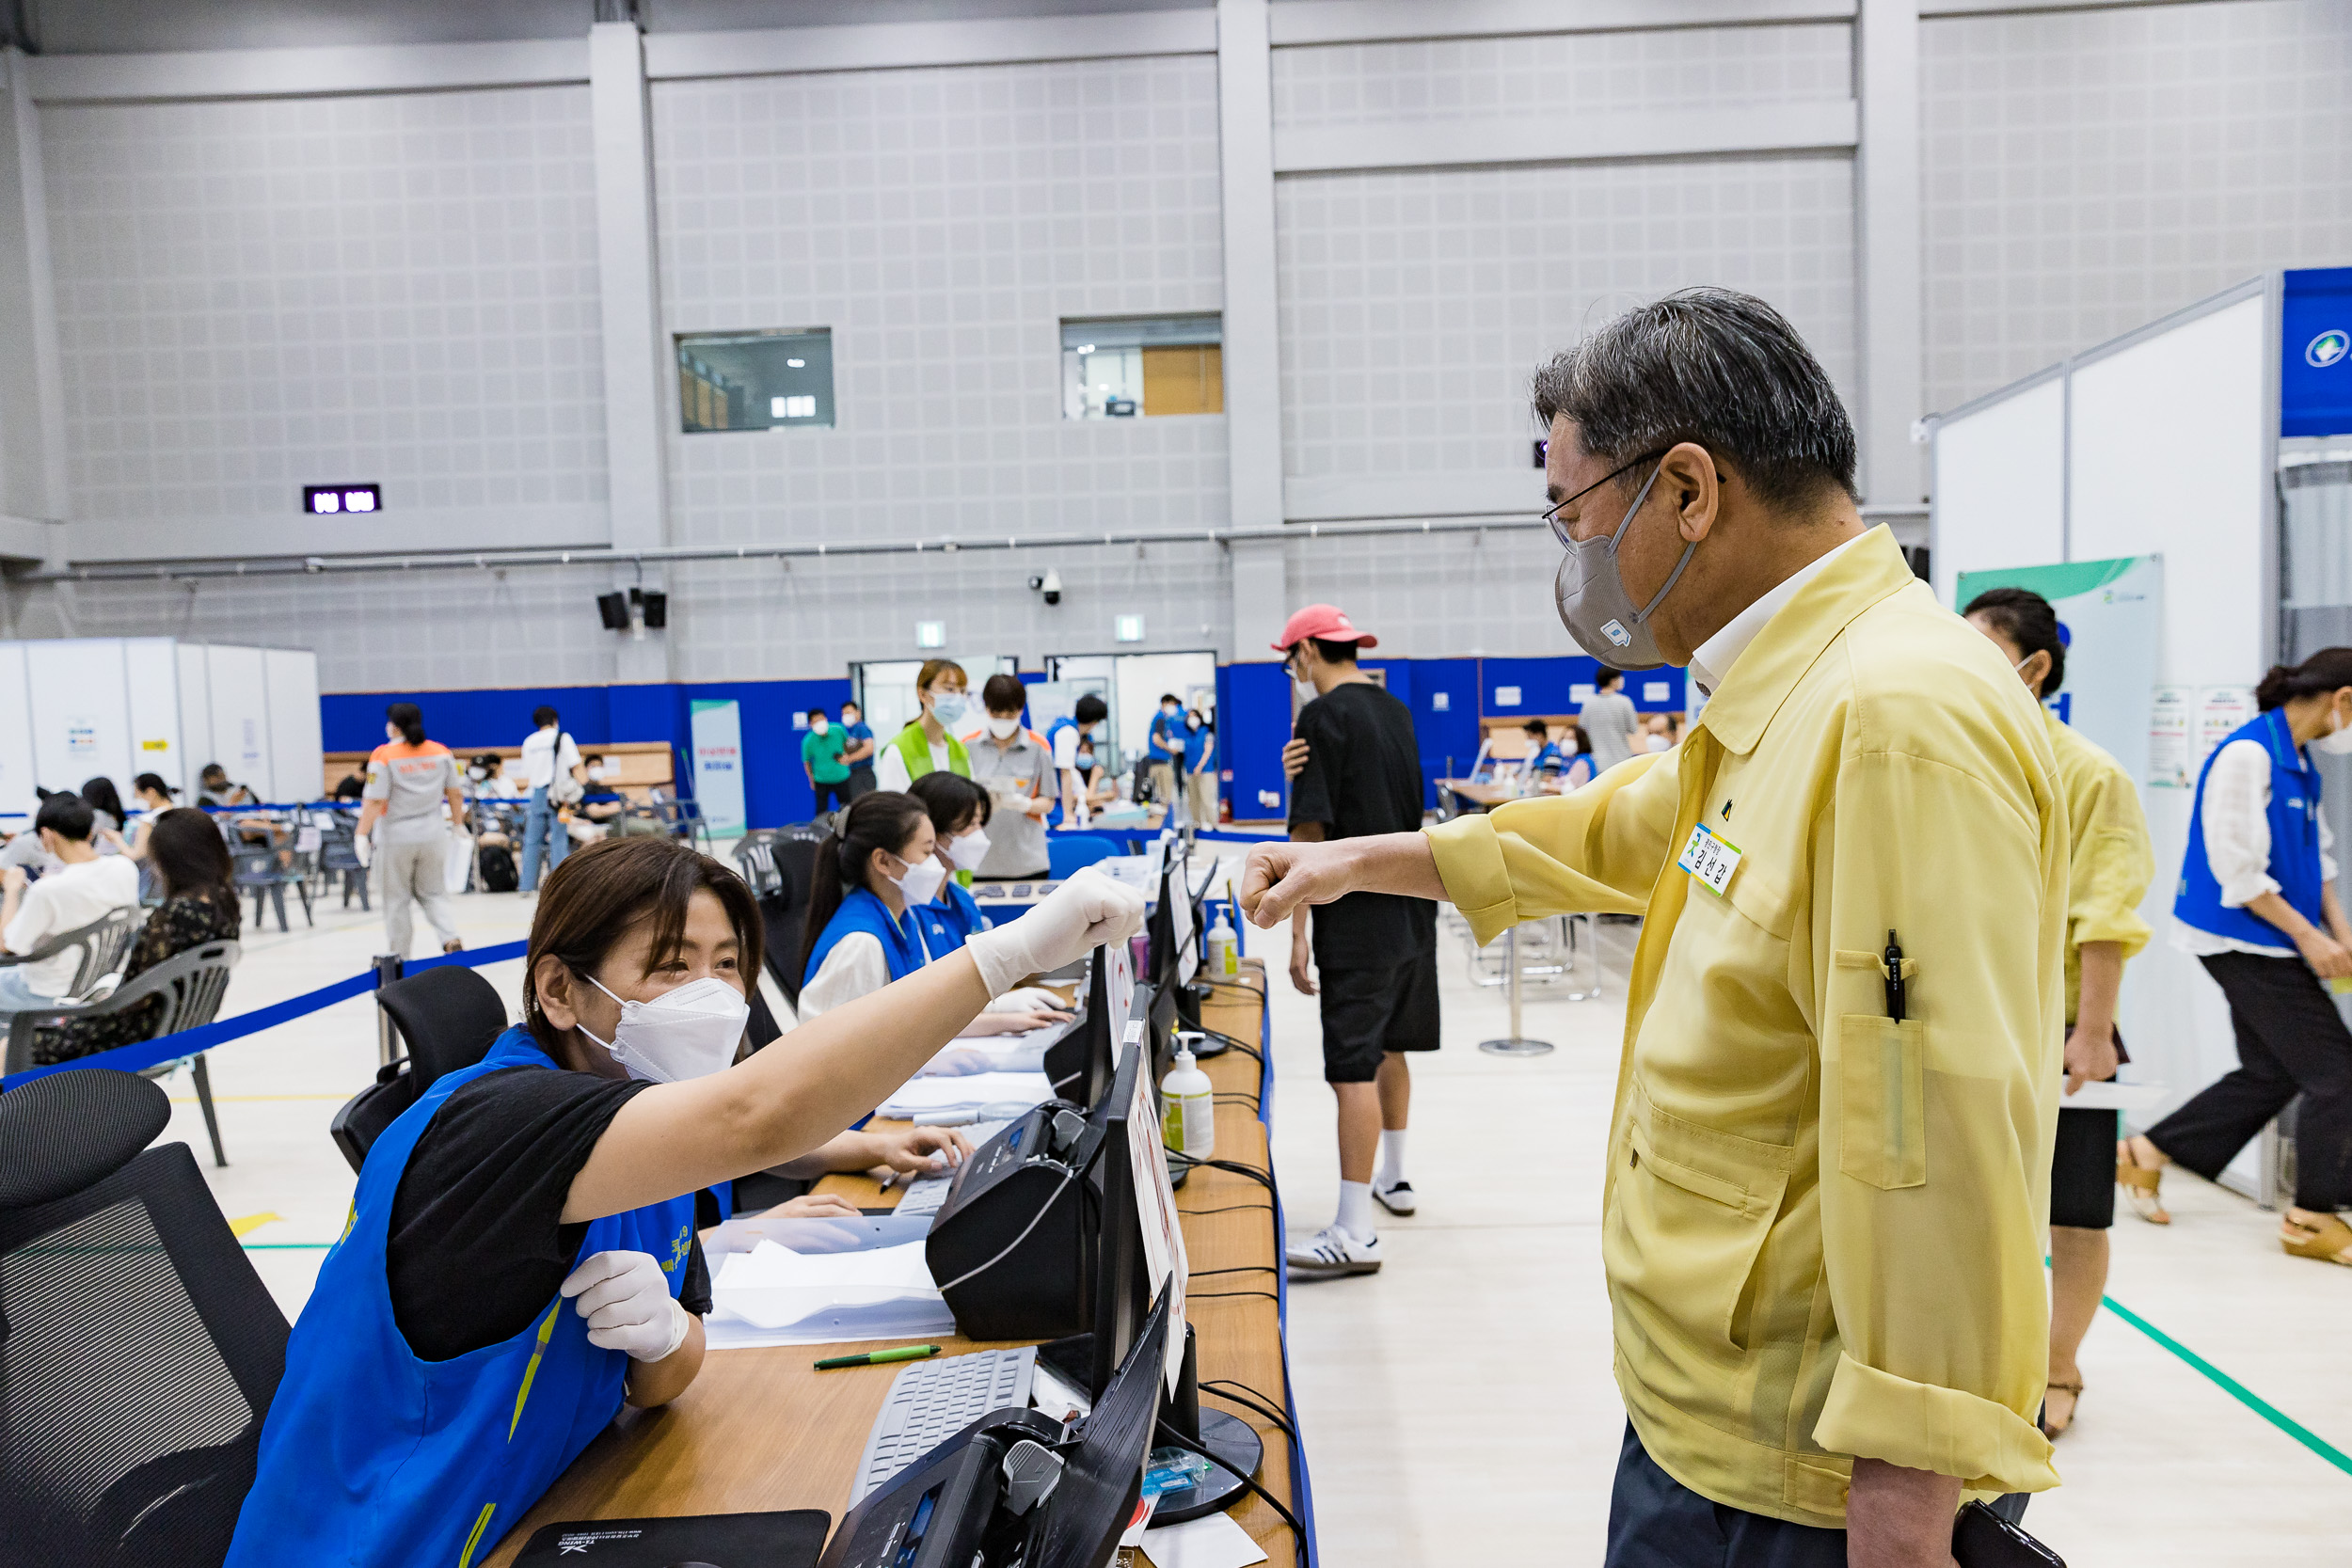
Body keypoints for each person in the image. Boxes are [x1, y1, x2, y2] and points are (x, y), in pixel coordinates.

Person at [1239, 289, 2064, 1560]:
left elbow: (1933, 1121)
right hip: (1706, 1414)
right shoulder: (1782, 695)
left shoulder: (1895, 713)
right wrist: (1354, 859)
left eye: (1576, 517)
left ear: (1689, 489)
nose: (1577, 561)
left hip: (1801, 1475)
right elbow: (1611, 828)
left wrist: (1909, 1490)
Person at [224, 833, 1144, 1568]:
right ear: (557, 987)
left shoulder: (635, 1125)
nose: (708, 992)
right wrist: (1014, 952)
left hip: (537, 1509)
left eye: (726, 963)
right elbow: (760, 1113)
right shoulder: (502, 1121)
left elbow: (675, 1360)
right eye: (669, 965)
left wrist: (662, 1338)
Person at [1966, 587, 2154, 1438]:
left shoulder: (2089, 774)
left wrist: (2091, 1033)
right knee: (1974, 1207)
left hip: (2067, 1025)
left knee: (2074, 1209)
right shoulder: (1964, 754)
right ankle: (1977, 1365)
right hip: (1976, 1018)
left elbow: (2106, 919)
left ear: (2034, 666)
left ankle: (2059, 1364)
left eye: (1983, 647)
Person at [2121, 645, 2352, 1267]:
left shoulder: (2298, 760)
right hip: (2239, 939)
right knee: (2336, 1072)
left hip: (2275, 936)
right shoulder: (2249, 754)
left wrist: (2339, 929)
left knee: (2274, 1071)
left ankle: (2148, 1151)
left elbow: (2319, 858)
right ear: (2343, 700)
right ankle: (2310, 1216)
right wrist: (2310, 938)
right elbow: (2236, 871)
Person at [1272, 603, 1437, 1277]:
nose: (1295, 674)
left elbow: (1311, 838)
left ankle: (1354, 1229)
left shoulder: (1320, 717)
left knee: (1351, 1067)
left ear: (1308, 651)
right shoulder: (1392, 708)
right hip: (1412, 910)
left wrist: (1298, 932)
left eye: (1292, 662)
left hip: (1357, 921)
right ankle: (1394, 1176)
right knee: (1392, 1045)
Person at [797, 791, 1071, 1032]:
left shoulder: (905, 918)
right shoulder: (860, 944)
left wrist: (1001, 1019)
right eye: (927, 852)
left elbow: (918, 1018)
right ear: (883, 861)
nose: (936, 865)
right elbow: (839, 1055)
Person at [36, 806, 243, 1066]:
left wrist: (85, 1010)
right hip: (181, 1028)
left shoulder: (175, 913)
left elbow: (132, 996)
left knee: (14, 1043)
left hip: (133, 1037)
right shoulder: (225, 903)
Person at [0, 792, 141, 1022]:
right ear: (90, 831)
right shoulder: (125, 868)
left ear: (46, 834)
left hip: (49, 992)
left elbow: (7, 945)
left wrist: (12, 890)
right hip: (103, 983)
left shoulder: (48, 891)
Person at [358, 702, 468, 958]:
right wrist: (459, 823)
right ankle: (450, 938)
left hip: (396, 835)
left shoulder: (383, 755)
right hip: (433, 833)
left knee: (396, 901)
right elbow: (455, 792)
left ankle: (400, 957)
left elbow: (375, 801)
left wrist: (361, 833)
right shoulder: (441, 752)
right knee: (434, 893)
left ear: (394, 726)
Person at [966, 673, 1057, 879]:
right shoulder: (967, 746)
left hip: (1028, 862)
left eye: (1011, 713)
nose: (1004, 719)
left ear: (1021, 710)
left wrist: (1024, 804)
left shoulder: (1038, 746)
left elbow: (1048, 802)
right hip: (980, 863)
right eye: (998, 714)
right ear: (986, 709)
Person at [874, 659, 973, 793]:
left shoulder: (961, 750)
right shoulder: (898, 749)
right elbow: (892, 808)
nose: (957, 697)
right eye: (949, 689)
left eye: (962, 691)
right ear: (922, 694)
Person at [517, 706, 581, 895]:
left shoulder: (529, 741)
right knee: (559, 838)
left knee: (531, 841)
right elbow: (576, 765)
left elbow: (527, 771)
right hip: (559, 795)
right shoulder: (563, 737)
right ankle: (560, 885)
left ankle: (526, 886)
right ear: (555, 719)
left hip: (536, 793)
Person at [1048, 692, 1109, 828]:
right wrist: (1068, 813)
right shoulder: (1068, 732)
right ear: (1094, 722)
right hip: (1054, 809)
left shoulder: (1064, 724)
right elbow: (1065, 774)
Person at [1580, 667, 1643, 774]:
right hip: (1622, 760)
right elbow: (1633, 729)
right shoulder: (1624, 702)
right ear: (1613, 680)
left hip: (1597, 762)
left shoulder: (1588, 703)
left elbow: (1582, 730)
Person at [803, 707, 855, 815]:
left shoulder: (839, 729)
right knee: (821, 810)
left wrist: (848, 757)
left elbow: (848, 745)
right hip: (821, 779)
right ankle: (821, 830)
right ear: (810, 724)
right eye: (816, 721)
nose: (820, 724)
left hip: (841, 776)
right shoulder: (807, 741)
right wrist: (811, 779)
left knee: (847, 808)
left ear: (826, 719)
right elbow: (807, 762)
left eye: (821, 720)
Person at [1147, 693, 1184, 807]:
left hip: (1159, 761)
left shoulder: (1164, 718)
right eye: (1172, 704)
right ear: (1165, 703)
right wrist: (1171, 749)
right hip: (1161, 763)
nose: (1174, 707)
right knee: (1165, 798)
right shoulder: (1160, 718)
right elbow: (1156, 739)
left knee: (1163, 798)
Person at [1183, 707, 1218, 826]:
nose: (1192, 719)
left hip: (1205, 771)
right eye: (1189, 716)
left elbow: (1208, 751)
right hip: (1190, 771)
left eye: (1194, 716)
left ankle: (1212, 825)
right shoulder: (1187, 735)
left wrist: (1199, 766)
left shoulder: (1206, 732)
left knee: (1207, 799)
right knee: (1193, 801)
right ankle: (1197, 824)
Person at [837, 698, 879, 800]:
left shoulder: (862, 728)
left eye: (848, 713)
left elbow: (869, 749)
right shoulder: (852, 731)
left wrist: (850, 759)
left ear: (858, 713)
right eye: (843, 714)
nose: (845, 716)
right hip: (854, 774)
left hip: (864, 774)